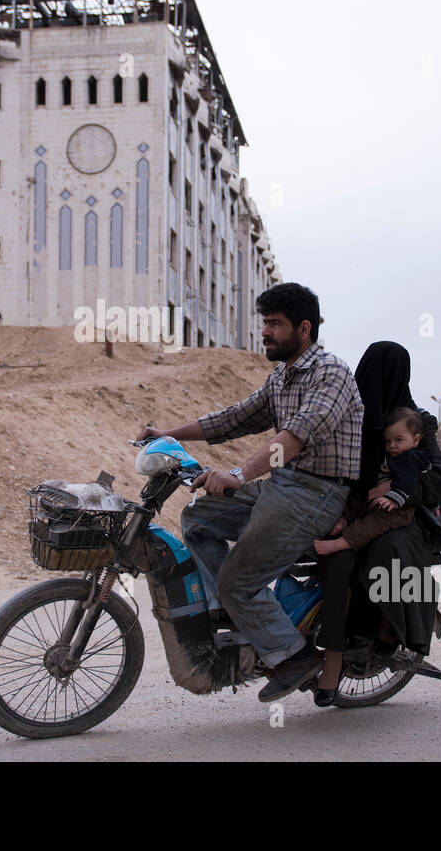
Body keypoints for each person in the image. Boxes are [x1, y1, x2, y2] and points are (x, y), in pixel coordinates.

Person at [135, 283, 364, 703]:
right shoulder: (281, 377)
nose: (265, 332)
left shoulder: (332, 374)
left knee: (239, 578)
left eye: (275, 324)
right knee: (198, 518)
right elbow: (231, 420)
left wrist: (239, 474)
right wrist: (168, 433)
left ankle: (293, 659)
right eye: (265, 323)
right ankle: (233, 607)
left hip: (316, 494)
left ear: (305, 328)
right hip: (283, 487)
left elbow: (295, 438)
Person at [312, 341, 441, 705]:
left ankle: (388, 631)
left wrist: (397, 485)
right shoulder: (351, 418)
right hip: (353, 506)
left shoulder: (416, 422)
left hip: (408, 513)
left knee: (385, 548)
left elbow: (440, 475)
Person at [313, 406, 431, 704]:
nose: (392, 446)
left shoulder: (413, 454)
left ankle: (362, 643)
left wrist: (393, 493)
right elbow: (360, 490)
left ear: (415, 439)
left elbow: (422, 481)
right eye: (389, 441)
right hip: (368, 507)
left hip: (395, 516)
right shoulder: (372, 440)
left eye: (398, 440)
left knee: (359, 542)